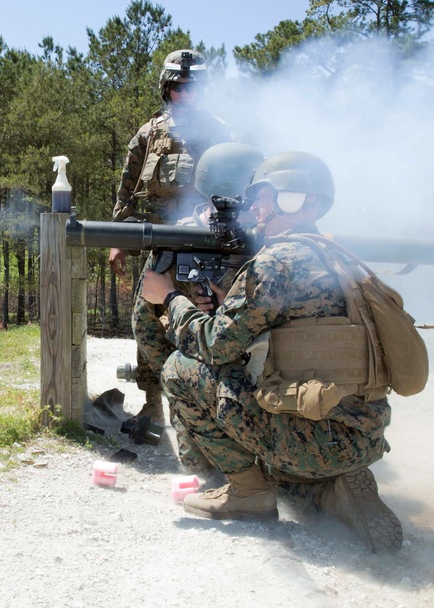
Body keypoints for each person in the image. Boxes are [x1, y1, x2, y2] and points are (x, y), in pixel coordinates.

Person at [139, 151, 403, 553]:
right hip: (361, 433)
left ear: (301, 201)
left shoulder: (276, 262)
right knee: (283, 451)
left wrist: (170, 297)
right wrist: (227, 303)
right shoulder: (339, 255)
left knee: (180, 367)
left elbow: (213, 345)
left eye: (265, 195)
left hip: (311, 432)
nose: (255, 207)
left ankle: (249, 493)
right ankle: (331, 490)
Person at [110, 48, 233, 424]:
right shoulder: (149, 133)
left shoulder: (220, 132)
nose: (187, 94)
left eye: (194, 87)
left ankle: (204, 412)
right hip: (161, 243)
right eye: (179, 87)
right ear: (167, 88)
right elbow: (127, 190)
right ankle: (154, 406)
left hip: (204, 246)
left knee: (204, 325)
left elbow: (235, 189)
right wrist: (117, 238)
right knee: (145, 324)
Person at [131, 142, 263, 469]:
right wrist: (175, 380)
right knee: (201, 466)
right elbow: (145, 321)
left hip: (258, 373)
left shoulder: (268, 239)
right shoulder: (178, 241)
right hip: (199, 365)